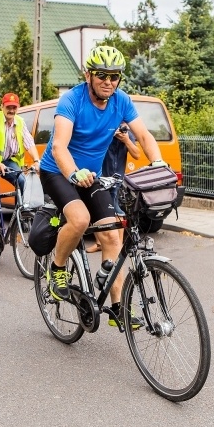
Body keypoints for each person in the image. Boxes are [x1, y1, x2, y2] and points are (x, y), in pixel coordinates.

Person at [38, 45, 166, 326]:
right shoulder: (71, 100)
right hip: (58, 171)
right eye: (102, 75)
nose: (108, 81)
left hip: (92, 176)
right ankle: (57, 268)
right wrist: (74, 173)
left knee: (112, 235)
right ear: (89, 75)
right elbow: (59, 146)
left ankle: (118, 308)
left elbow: (144, 136)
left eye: (115, 76)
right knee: (80, 219)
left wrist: (158, 164)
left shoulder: (122, 101)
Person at [0, 92, 41, 261]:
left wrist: (36, 160)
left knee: (23, 181)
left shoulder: (19, 122)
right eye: (8, 107)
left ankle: (22, 215)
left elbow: (29, 142)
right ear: (2, 107)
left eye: (14, 107)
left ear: (17, 107)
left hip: (8, 161)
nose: (11, 110)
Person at [85, 121, 140, 253]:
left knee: (116, 210)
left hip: (115, 178)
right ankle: (100, 244)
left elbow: (136, 154)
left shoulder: (126, 133)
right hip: (99, 176)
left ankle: (117, 245)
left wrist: (126, 140)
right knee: (95, 209)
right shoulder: (102, 129)